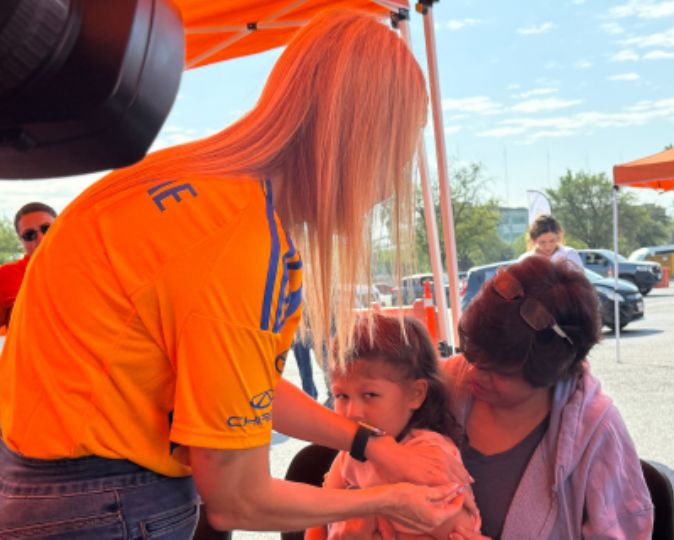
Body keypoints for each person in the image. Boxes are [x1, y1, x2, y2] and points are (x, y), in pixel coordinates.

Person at [0, 11, 468, 538]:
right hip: (108, 506)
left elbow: (243, 388)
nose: (388, 185)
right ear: (360, 143)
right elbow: (236, 501)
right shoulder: (243, 241)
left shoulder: (187, 184)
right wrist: (393, 499)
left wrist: (369, 443)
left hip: (39, 485)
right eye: (399, 153)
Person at [448, 256, 653, 539]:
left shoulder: (596, 432)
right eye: (472, 356)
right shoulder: (448, 383)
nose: (474, 374)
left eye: (500, 371)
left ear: (549, 373)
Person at [307, 314, 479, 540]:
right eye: (341, 396)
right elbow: (317, 521)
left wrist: (366, 514)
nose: (352, 412)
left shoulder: (431, 455)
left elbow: (457, 523)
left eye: (370, 395)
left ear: (415, 394)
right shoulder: (350, 455)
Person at [0, 202, 57, 329]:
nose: (41, 238)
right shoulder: (5, 275)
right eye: (29, 235)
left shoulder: (85, 269)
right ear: (21, 241)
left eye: (46, 229)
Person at [518, 214, 584, 269]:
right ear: (534, 240)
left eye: (552, 241)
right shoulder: (524, 260)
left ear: (558, 237)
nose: (548, 247)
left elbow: (581, 283)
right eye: (542, 242)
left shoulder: (569, 254)